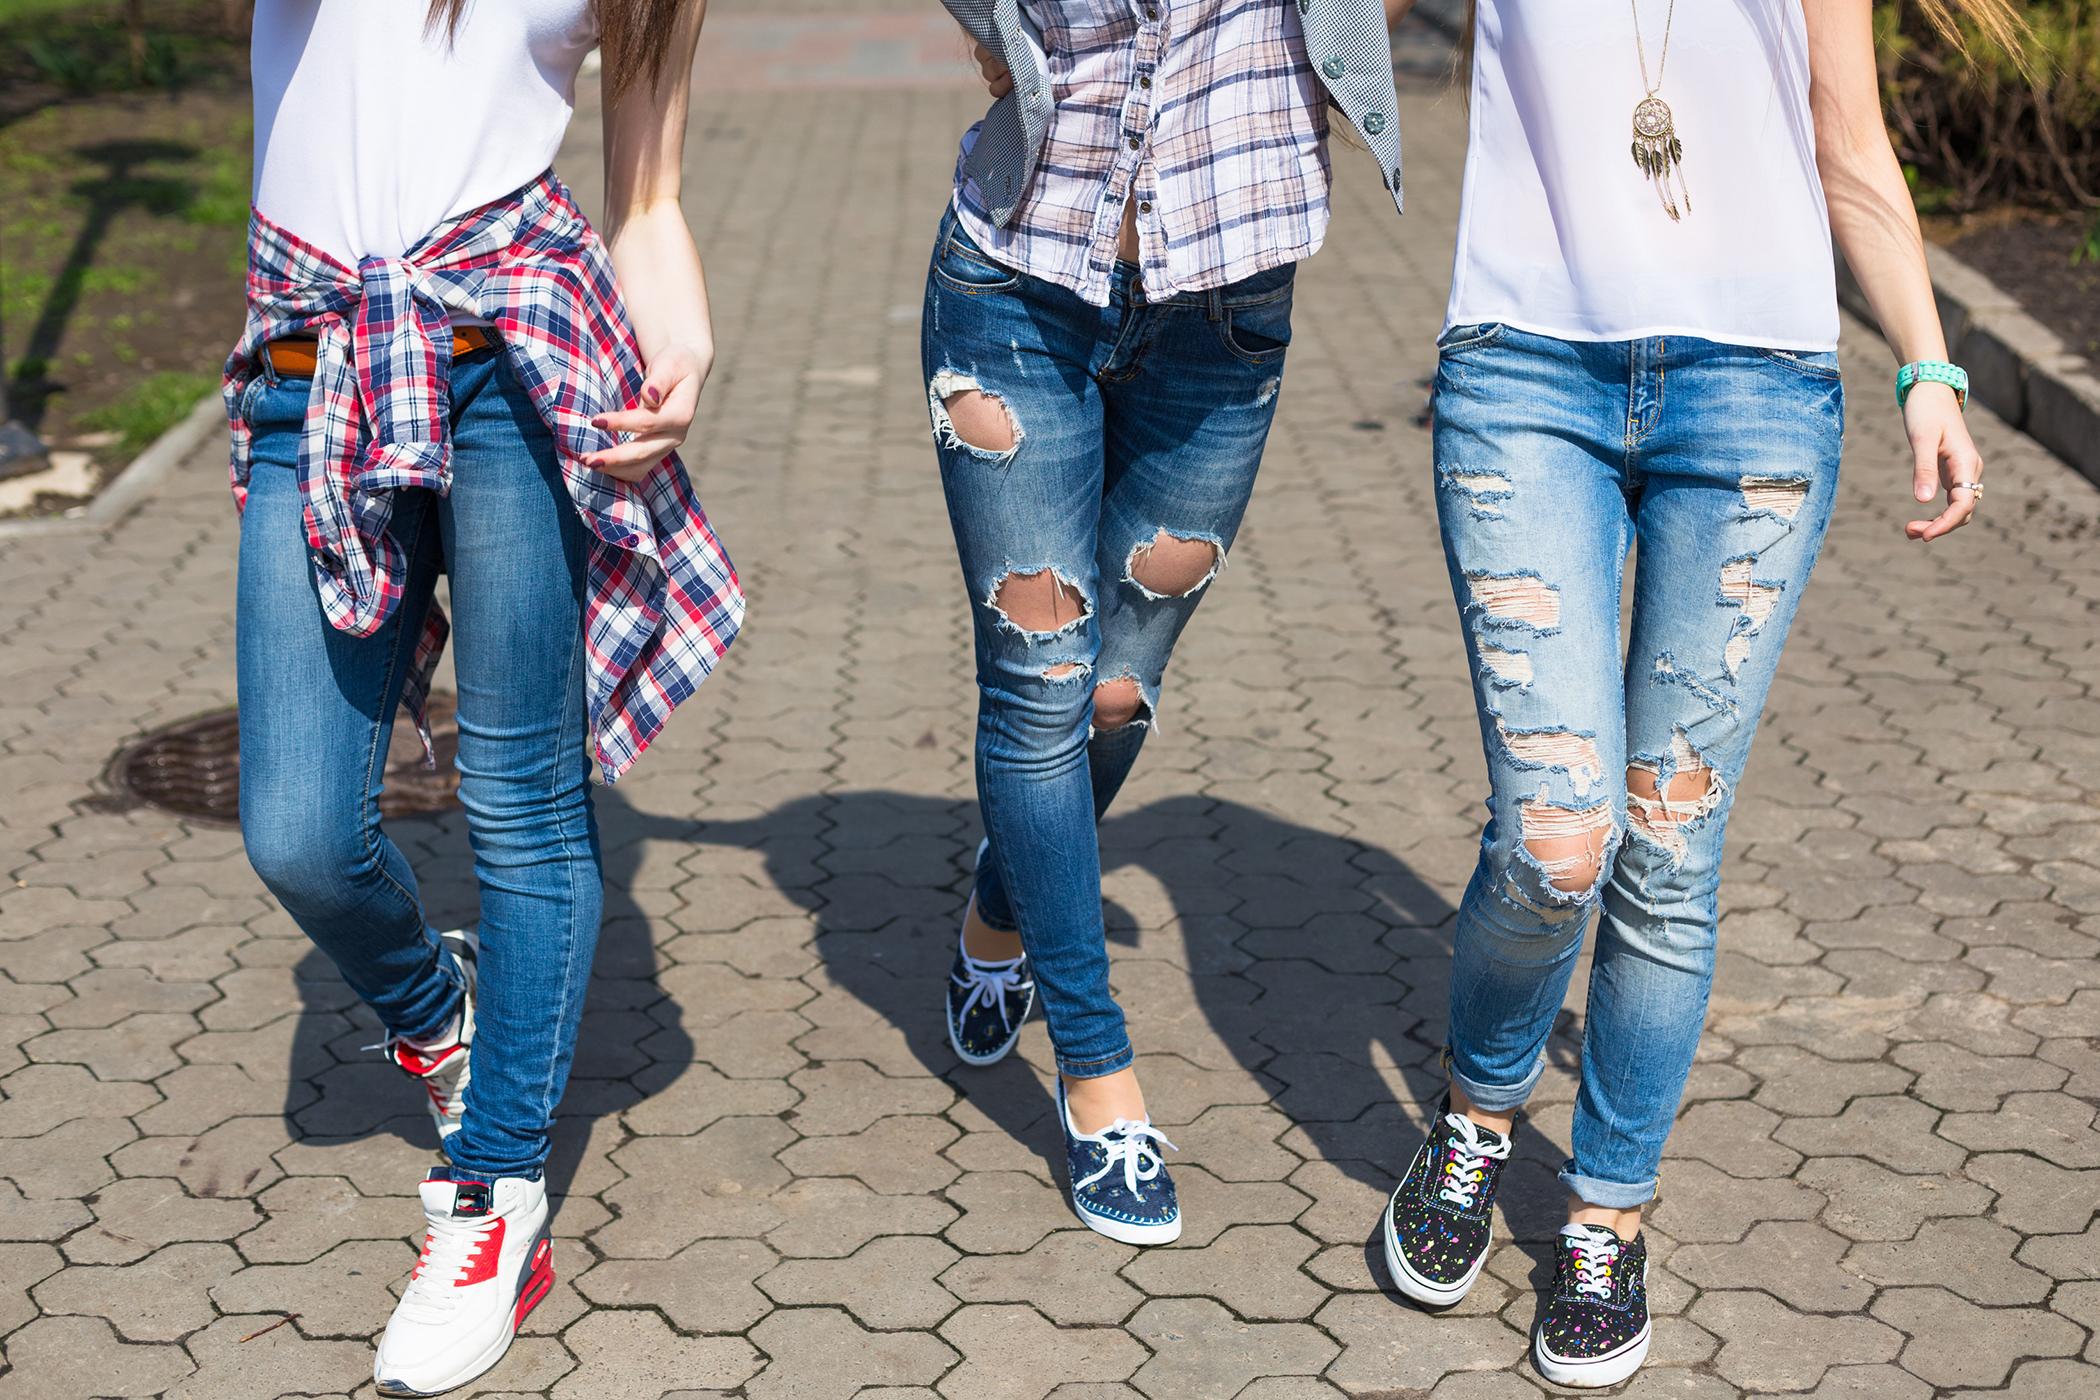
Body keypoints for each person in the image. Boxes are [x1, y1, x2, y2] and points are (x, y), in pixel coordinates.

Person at [1374, 0, 2018, 1386]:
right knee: (1558, 837)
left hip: (1756, 397)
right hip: (1526, 374)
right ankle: (1477, 1117)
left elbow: (1850, 141)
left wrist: (1927, 367)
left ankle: (1606, 1213)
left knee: (1669, 844)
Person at [227, 1, 738, 1392]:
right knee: (299, 831)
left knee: (524, 798)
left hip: (520, 364)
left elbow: (647, 194)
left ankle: (495, 1196)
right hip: (315, 363)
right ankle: (437, 1009)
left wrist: (681, 336)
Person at [929, 0, 1413, 1244]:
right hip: (1019, 277)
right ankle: (1097, 1074)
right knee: (1039, 680)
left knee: (1114, 694)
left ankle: (1005, 898)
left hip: (1225, 307)